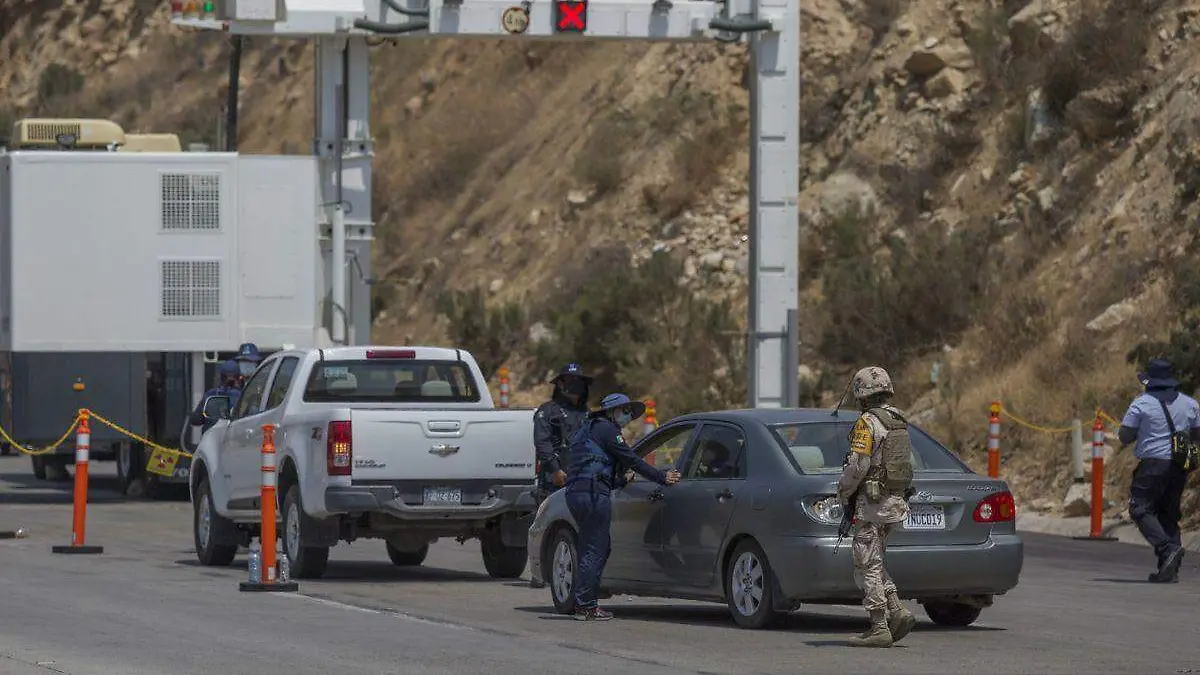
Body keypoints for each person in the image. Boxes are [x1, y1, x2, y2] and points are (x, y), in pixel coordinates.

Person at [563, 393, 680, 621]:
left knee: (597, 547)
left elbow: (596, 467)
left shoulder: (588, 430)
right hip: (593, 495)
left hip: (576, 493)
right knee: (595, 549)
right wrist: (662, 477)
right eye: (624, 410)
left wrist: (622, 481)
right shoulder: (607, 430)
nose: (627, 416)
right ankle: (586, 605)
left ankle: (583, 601)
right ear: (610, 411)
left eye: (629, 412)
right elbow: (631, 459)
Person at [836, 366, 916, 648]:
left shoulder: (867, 423)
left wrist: (842, 491)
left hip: (872, 505)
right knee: (876, 559)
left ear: (861, 396)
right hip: (894, 502)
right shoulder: (898, 419)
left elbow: (859, 465)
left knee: (865, 564)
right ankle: (897, 610)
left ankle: (879, 627)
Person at [1117, 357, 1199, 583]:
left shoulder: (1141, 404)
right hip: (1178, 465)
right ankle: (1169, 568)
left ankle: (1167, 550)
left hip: (1153, 463)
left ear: (1149, 381)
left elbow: (1124, 436)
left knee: (1140, 508)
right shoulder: (1190, 404)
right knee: (1168, 513)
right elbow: (1196, 435)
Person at [529, 363, 593, 588]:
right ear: (561, 384)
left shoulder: (588, 415)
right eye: (571, 382)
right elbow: (543, 443)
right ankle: (538, 571)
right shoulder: (547, 412)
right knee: (546, 524)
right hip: (555, 479)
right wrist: (555, 469)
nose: (576, 387)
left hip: (583, 479)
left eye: (580, 382)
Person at [188, 360, 242, 434]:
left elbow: (196, 420)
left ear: (220, 377)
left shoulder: (211, 394)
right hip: (235, 439)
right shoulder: (243, 396)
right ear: (239, 378)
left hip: (211, 439)